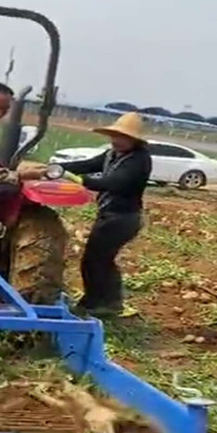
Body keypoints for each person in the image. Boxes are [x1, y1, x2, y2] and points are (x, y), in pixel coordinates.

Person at [58, 112, 152, 316]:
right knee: (103, 260)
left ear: (134, 140)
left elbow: (114, 183)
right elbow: (88, 164)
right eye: (115, 136)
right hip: (109, 215)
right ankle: (110, 301)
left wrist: (79, 180)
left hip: (123, 218)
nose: (116, 140)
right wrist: (58, 168)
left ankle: (94, 303)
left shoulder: (139, 160)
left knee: (94, 260)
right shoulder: (112, 154)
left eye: (123, 137)